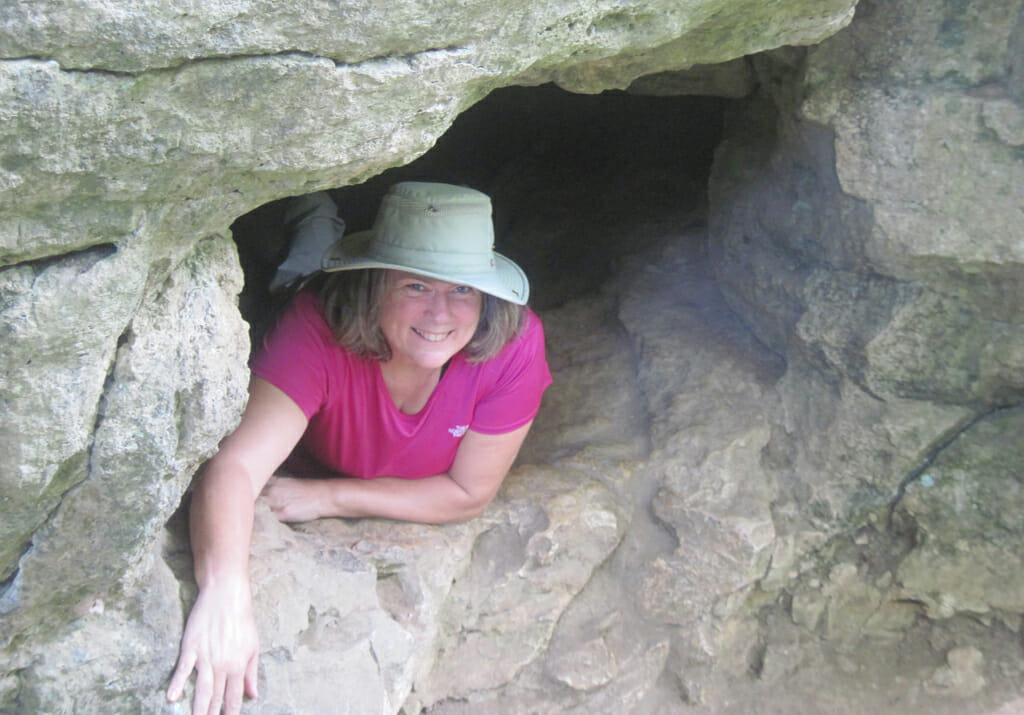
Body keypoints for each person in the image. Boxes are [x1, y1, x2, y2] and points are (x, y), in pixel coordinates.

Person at [166, 182, 552, 715]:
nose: (440, 313)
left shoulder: (513, 344)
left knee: (307, 269)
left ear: (486, 294)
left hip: (330, 461)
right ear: (374, 283)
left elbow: (468, 494)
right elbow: (233, 466)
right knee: (290, 284)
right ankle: (313, 217)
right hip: (302, 310)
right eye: (416, 285)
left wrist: (329, 497)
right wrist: (224, 592)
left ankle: (322, 231)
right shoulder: (315, 327)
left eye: (463, 288)